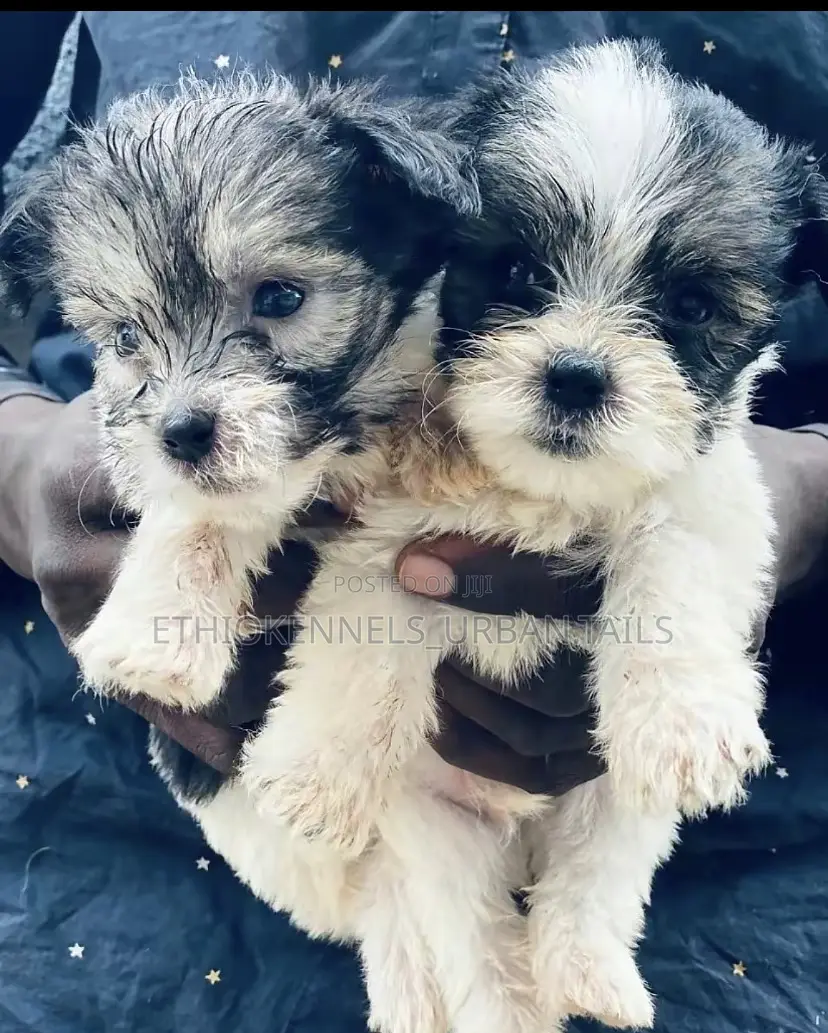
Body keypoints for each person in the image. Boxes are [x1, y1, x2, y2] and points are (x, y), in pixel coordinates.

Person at [0, 12, 827, 1033]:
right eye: (516, 276)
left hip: (760, 860)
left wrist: (801, 487)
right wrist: (16, 445)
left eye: (691, 308)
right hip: (113, 822)